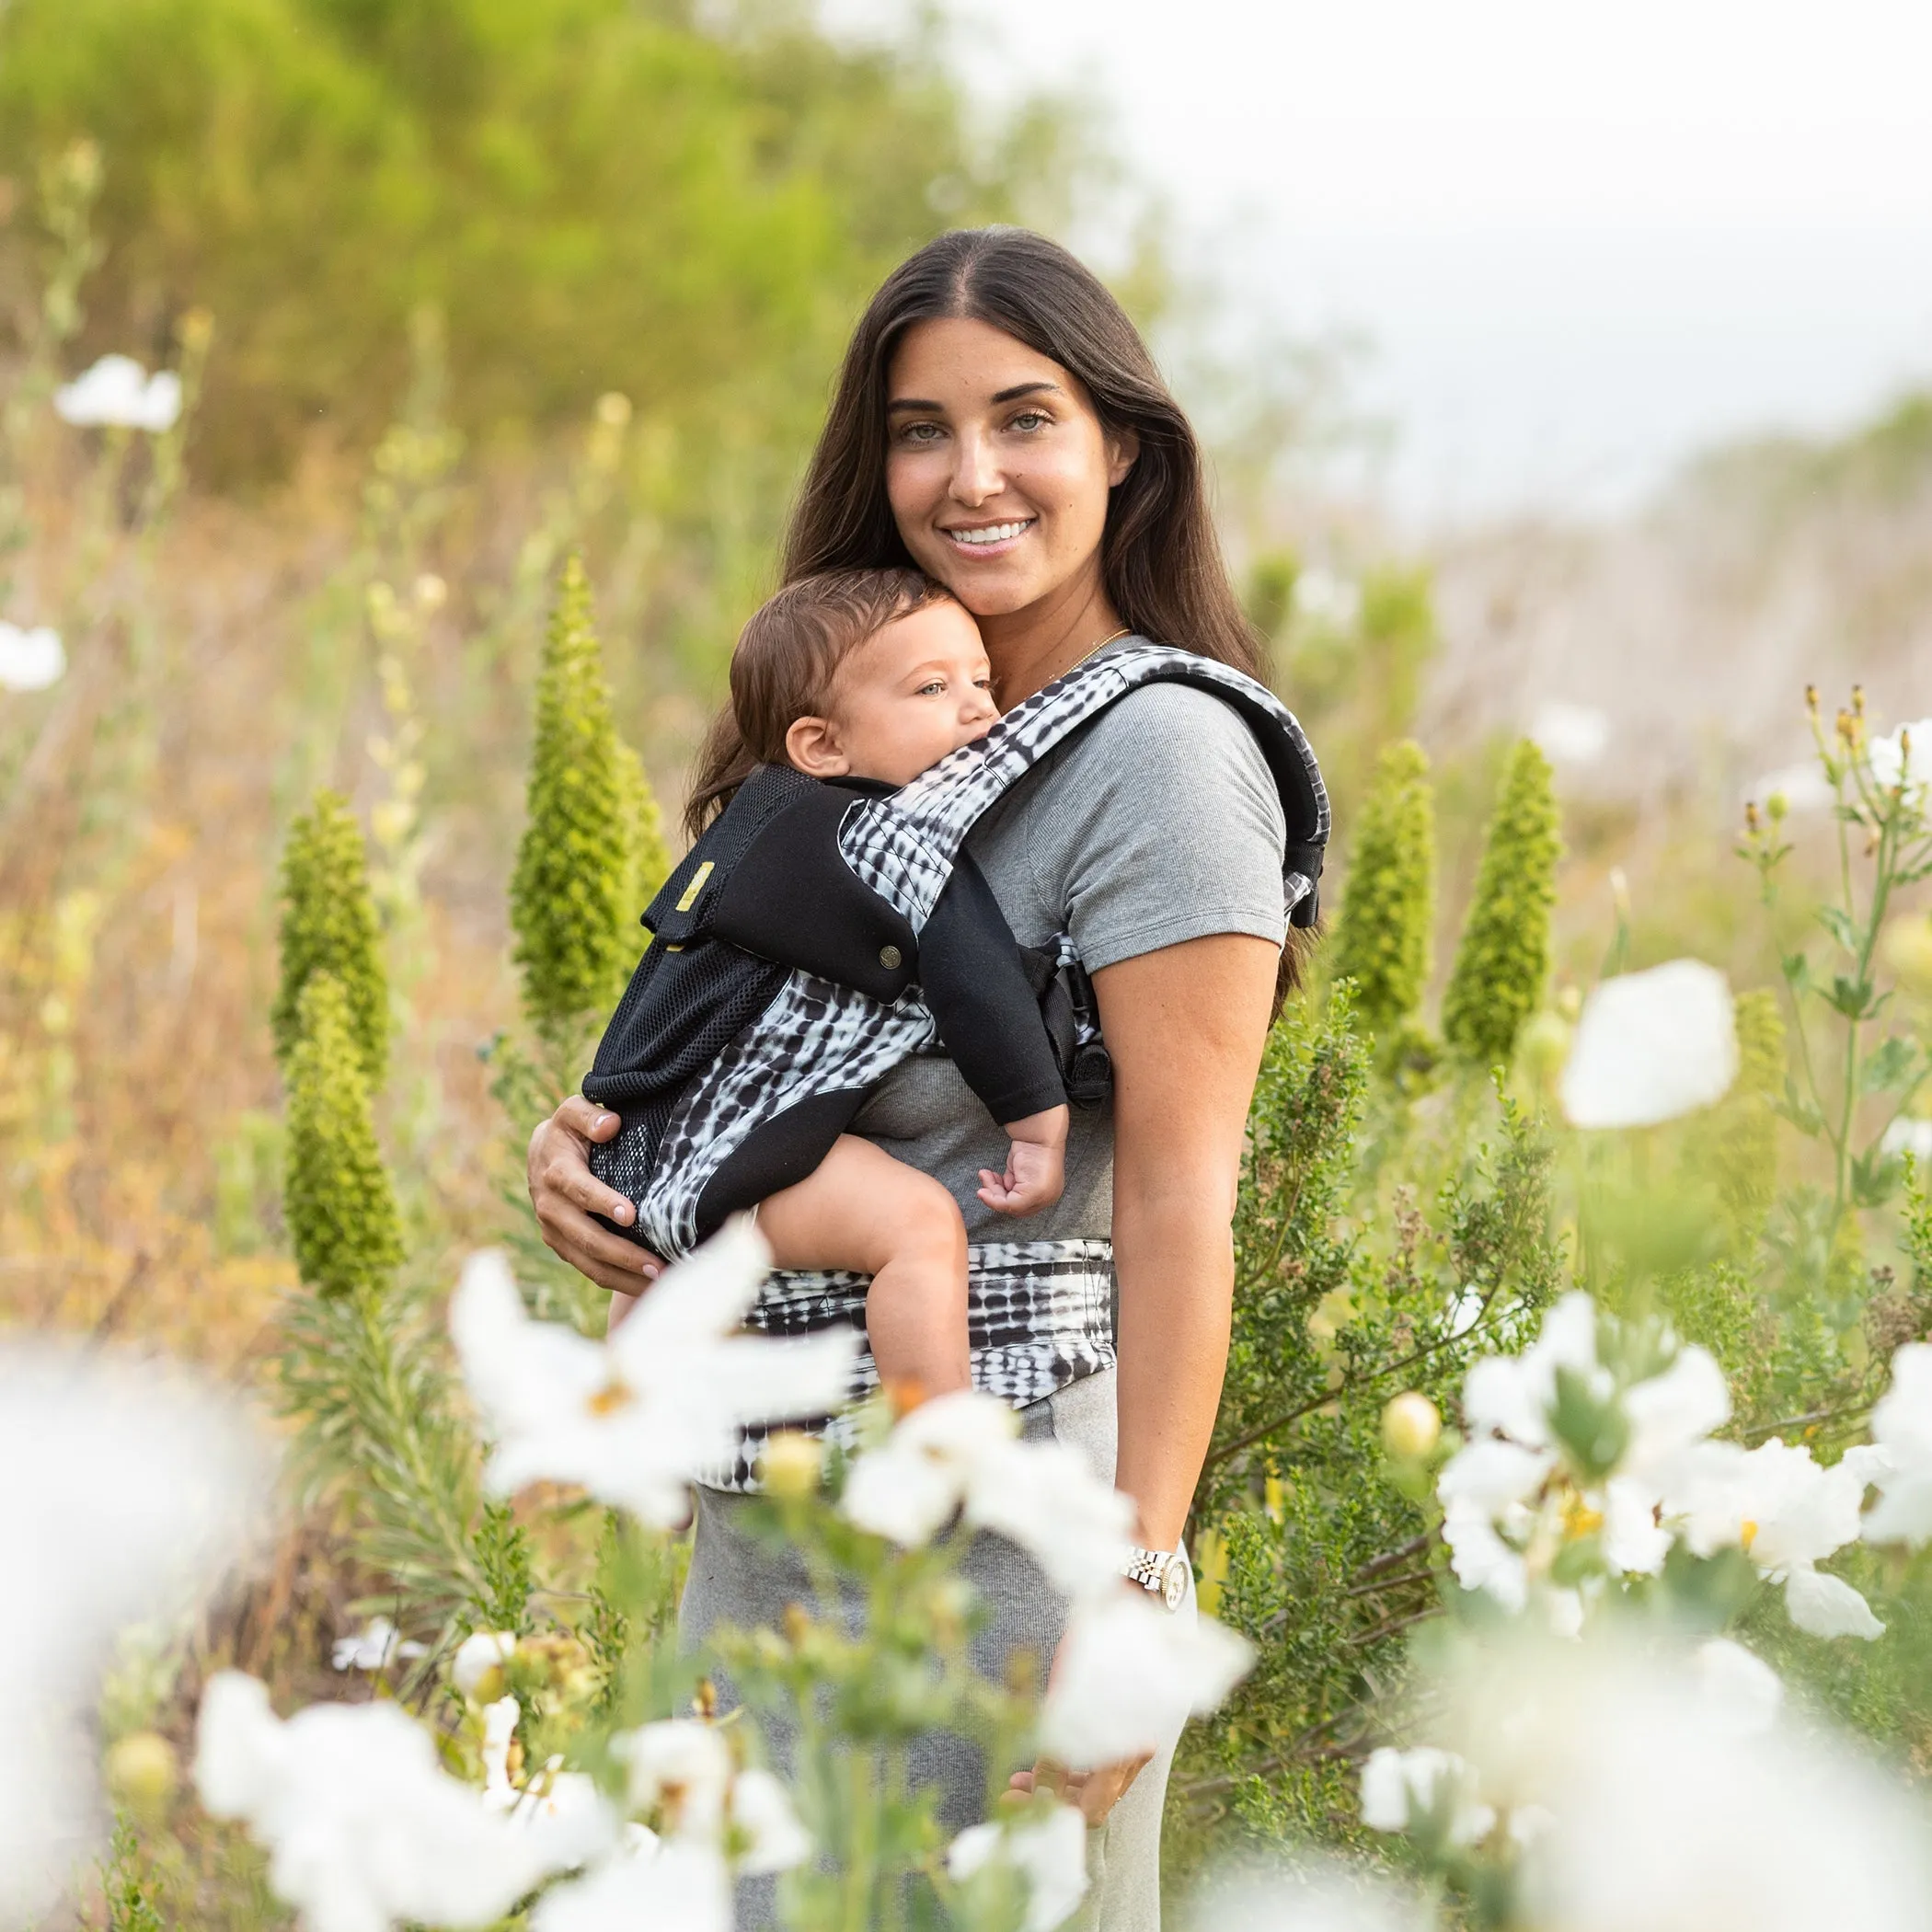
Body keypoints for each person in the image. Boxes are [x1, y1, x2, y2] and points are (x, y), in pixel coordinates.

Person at [528, 225, 1314, 1929]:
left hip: (1005, 1547)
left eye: (1025, 419)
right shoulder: (854, 728)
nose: (971, 477)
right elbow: (751, 1043)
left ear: (1125, 448)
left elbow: (1182, 1196)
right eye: (919, 430)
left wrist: (1139, 1591)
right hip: (773, 1521)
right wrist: (606, 1156)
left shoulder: (1164, 756)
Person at [581, 565, 1072, 1400]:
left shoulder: (748, 828)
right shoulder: (894, 842)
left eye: (982, 682)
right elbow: (980, 987)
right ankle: (937, 1436)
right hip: (747, 1158)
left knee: (657, 1283)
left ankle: (625, 1426)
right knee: (920, 1228)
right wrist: (1039, 1131)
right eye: (933, 688)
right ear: (822, 746)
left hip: (648, 1155)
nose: (980, 711)